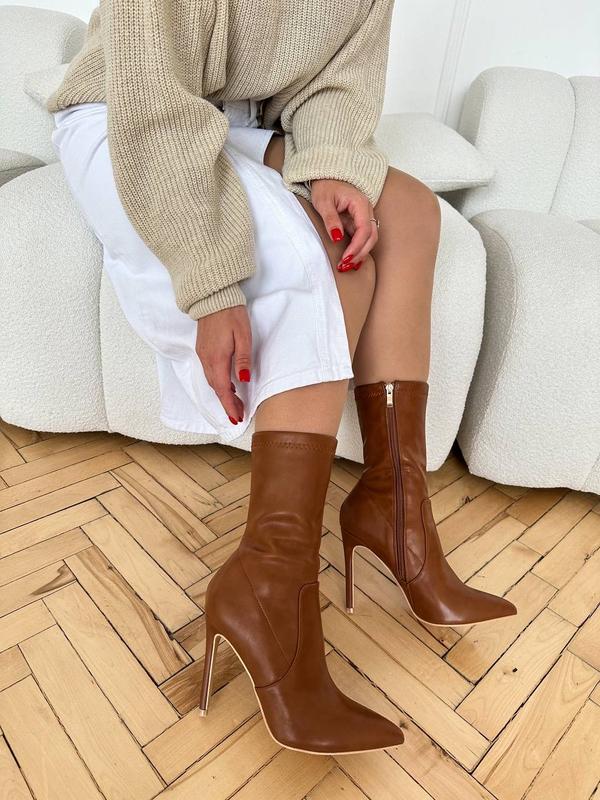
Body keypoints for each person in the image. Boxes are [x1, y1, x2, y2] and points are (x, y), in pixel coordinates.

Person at [46, 0, 517, 756]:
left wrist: (331, 165)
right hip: (130, 118)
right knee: (330, 260)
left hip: (229, 122)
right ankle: (270, 578)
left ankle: (395, 509)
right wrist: (212, 285)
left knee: (409, 210)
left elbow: (337, 85)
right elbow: (152, 98)